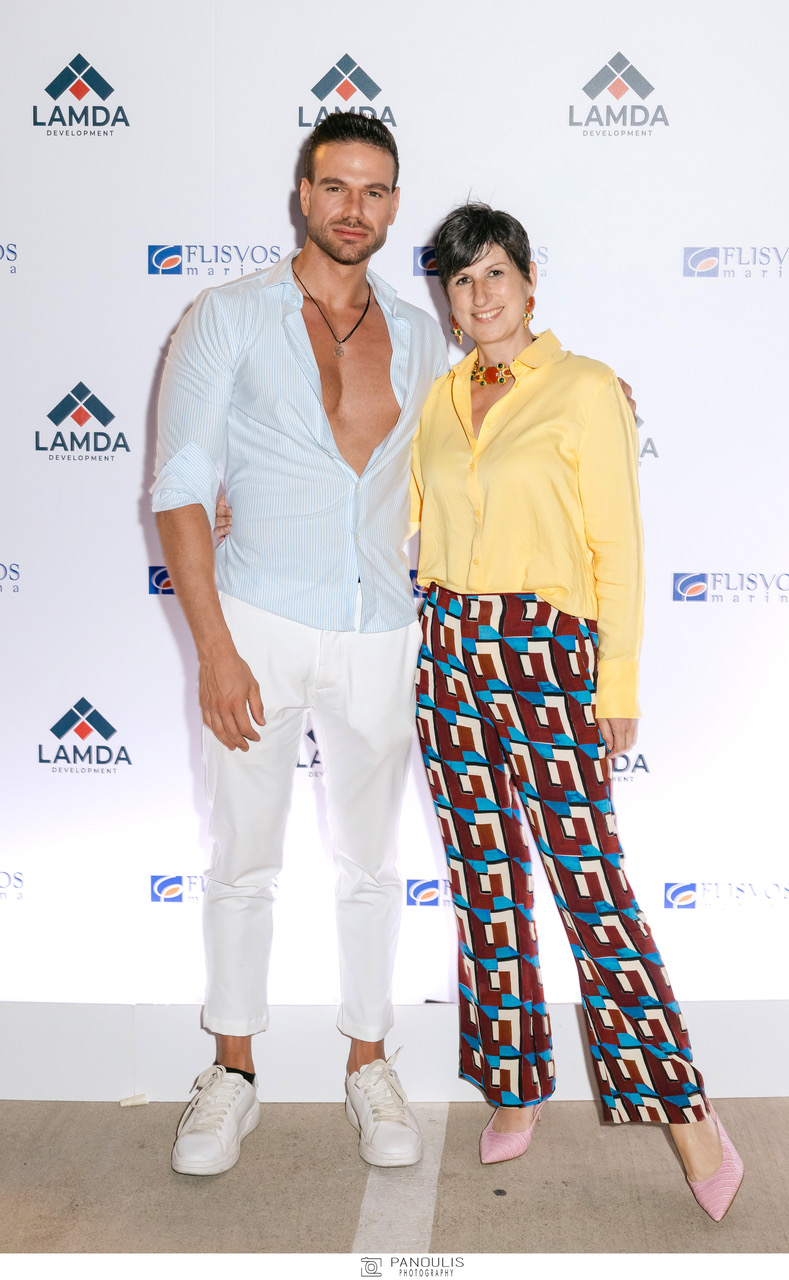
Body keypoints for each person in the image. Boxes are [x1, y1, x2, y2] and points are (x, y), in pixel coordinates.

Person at [409, 203, 743, 1221]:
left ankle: (687, 1112)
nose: (480, 295)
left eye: (495, 273)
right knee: (484, 879)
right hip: (447, 651)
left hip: (547, 651)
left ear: (528, 281)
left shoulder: (588, 388)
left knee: (588, 885)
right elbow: (398, 520)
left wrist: (616, 682)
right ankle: (513, 1081)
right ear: (448, 300)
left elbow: (618, 545)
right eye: (461, 280)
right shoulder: (438, 399)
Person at [152, 113, 449, 1175]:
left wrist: (593, 400)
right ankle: (231, 1072)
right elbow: (180, 486)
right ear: (302, 192)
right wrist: (213, 648)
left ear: (394, 204)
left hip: (381, 628)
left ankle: (370, 1060)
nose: (351, 209)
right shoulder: (226, 315)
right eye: (335, 187)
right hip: (257, 625)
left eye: (372, 191)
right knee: (243, 857)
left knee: (372, 863)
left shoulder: (421, 335)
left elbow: (492, 422)